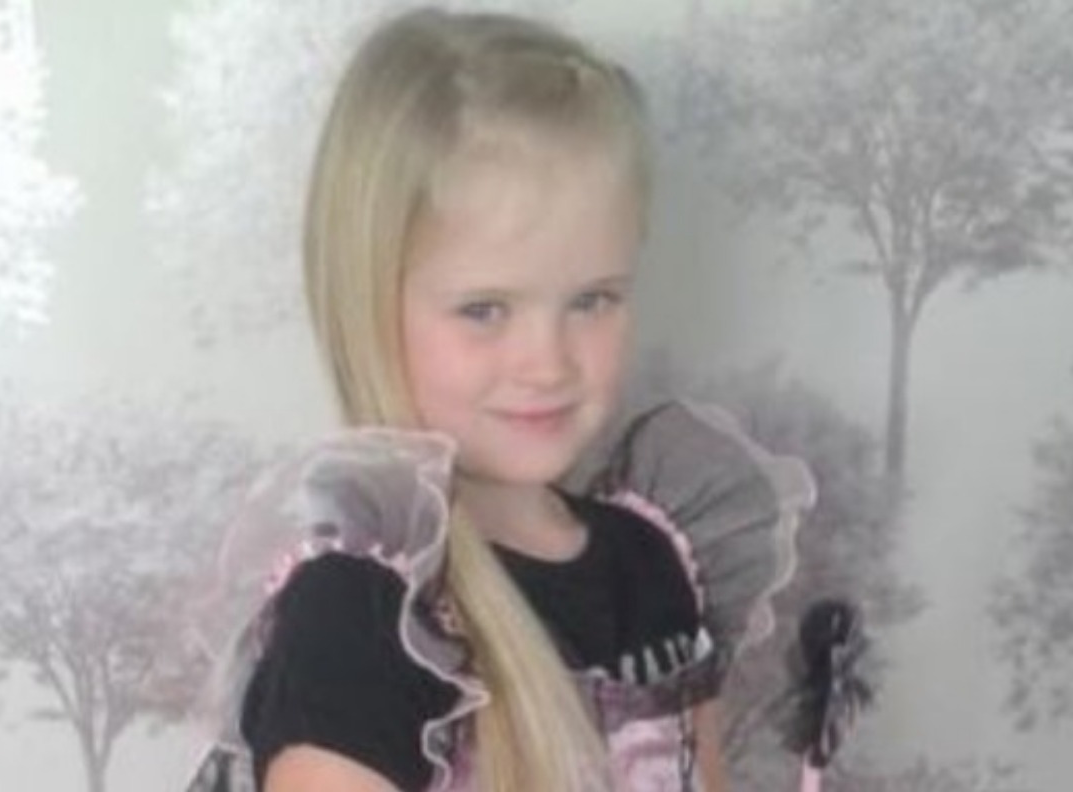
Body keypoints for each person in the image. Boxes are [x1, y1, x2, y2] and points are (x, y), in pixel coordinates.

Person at [184, 7, 815, 791]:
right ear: (368, 302)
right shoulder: (361, 615)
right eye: (484, 309)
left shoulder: (652, 563)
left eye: (592, 299)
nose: (547, 364)